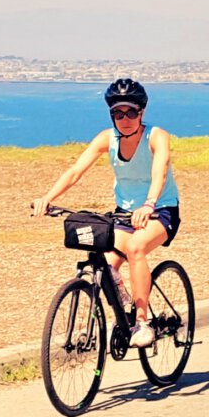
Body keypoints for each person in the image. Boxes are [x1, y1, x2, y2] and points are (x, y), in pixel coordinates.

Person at [30, 79, 181, 350]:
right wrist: (48, 198)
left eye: (131, 112)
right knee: (106, 266)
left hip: (160, 210)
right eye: (118, 113)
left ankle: (143, 322)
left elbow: (160, 171)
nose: (124, 119)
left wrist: (148, 204)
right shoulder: (106, 139)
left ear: (142, 112)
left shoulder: (157, 136)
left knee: (135, 248)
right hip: (124, 214)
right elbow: (75, 171)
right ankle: (123, 306)